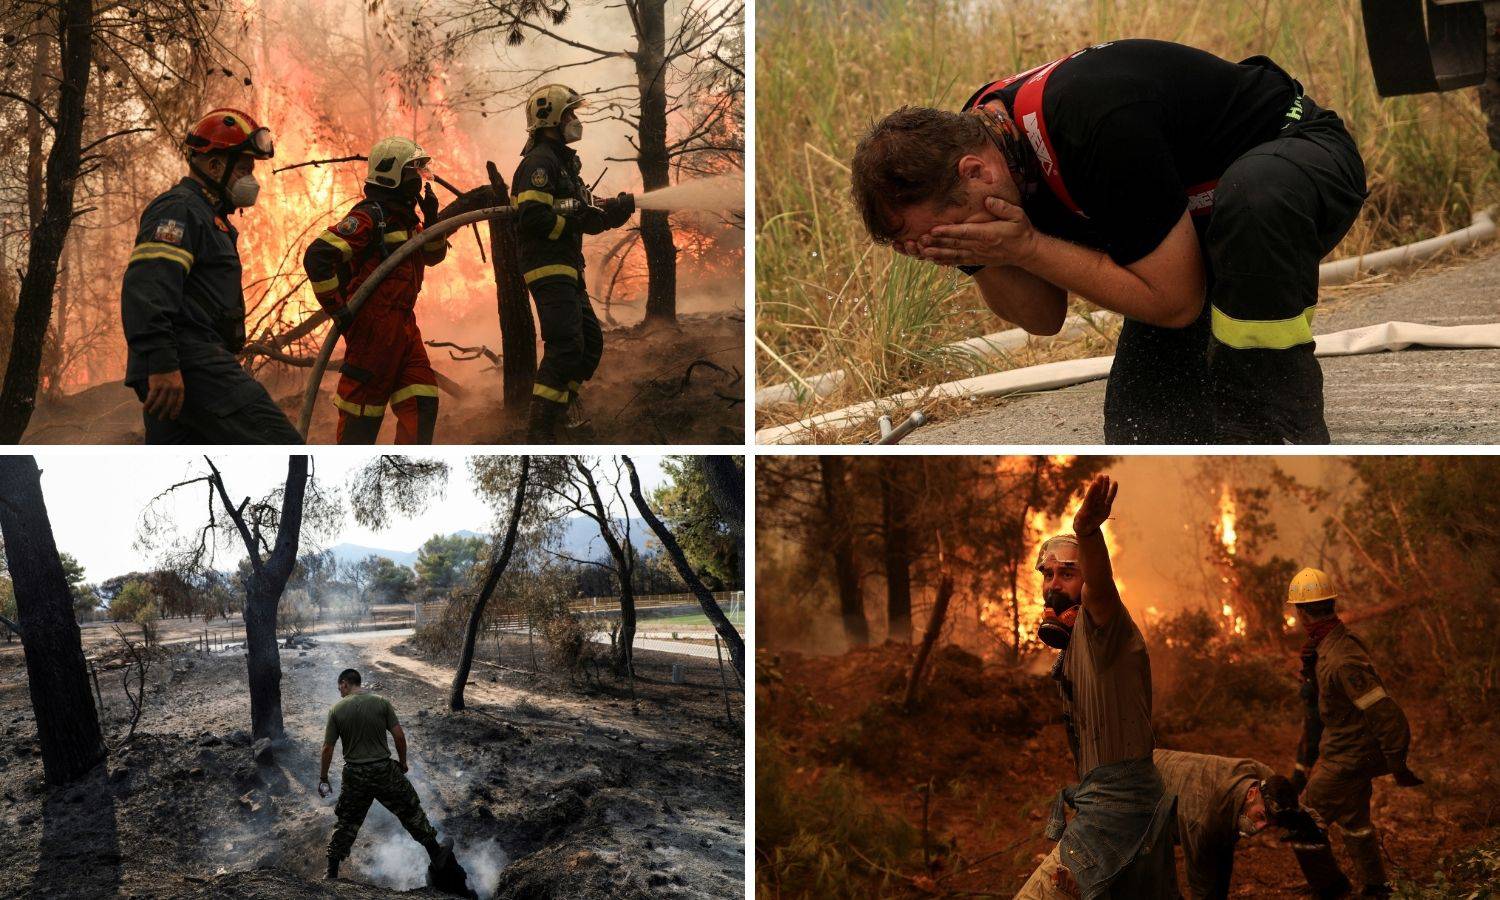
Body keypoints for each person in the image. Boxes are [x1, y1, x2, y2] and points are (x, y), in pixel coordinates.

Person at [849, 39, 1368, 444]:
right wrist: (988, 256)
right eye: (935, 246)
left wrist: (1027, 246)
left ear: (975, 173)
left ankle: (1279, 420)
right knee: (1146, 429)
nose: (951, 244)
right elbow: (1043, 317)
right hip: (1196, 227)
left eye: (949, 235)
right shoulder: (976, 153)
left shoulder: (1094, 123)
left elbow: (1175, 302)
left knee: (1255, 198)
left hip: (1297, 163)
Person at [1029, 474, 1178, 898]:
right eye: (1048, 574)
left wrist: (1088, 533)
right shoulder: (1074, 642)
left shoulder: (1103, 626)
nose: (1054, 584)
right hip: (1115, 802)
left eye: (1068, 574)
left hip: (1120, 809)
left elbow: (1100, 589)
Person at [120, 108, 303, 444]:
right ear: (215, 165)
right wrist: (161, 363)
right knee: (284, 447)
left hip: (188, 365)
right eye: (245, 168)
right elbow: (148, 287)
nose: (251, 179)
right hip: (189, 362)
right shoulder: (179, 209)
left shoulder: (208, 217)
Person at [1019, 750, 1351, 899]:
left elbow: (1298, 809)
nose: (1261, 828)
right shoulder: (1201, 817)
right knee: (1121, 870)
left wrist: (1310, 825)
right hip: (1133, 795)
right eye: (1262, 818)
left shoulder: (1259, 775)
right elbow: (1203, 879)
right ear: (1252, 794)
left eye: (1269, 822)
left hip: (1152, 769)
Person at [303, 137, 448, 443]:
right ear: (392, 176)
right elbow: (318, 256)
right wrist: (339, 311)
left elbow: (433, 256)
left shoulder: (405, 218)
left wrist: (434, 220)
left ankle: (406, 471)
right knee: (362, 421)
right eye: (413, 174)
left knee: (422, 402)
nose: (419, 181)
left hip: (405, 327)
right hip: (371, 333)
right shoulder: (370, 217)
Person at [512, 84, 635, 443]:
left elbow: (587, 216)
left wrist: (614, 212)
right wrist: (575, 221)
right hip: (547, 267)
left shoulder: (563, 165)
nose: (575, 121)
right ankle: (539, 432)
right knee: (565, 345)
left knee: (590, 343)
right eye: (569, 114)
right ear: (550, 119)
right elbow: (532, 217)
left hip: (568, 267)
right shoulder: (539, 163)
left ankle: (560, 411)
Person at [1287, 568, 1420, 899]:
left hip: (1349, 756)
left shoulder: (1340, 659)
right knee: (1354, 821)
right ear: (1331, 603)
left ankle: (1330, 888)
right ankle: (1375, 887)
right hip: (1342, 751)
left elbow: (1384, 711)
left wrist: (1397, 762)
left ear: (1302, 612)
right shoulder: (1328, 647)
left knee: (1302, 821)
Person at [318, 667, 467, 894]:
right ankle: (435, 852)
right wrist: (403, 762)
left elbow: (328, 748)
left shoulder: (336, 710)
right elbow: (398, 735)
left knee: (347, 822)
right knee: (410, 810)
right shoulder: (381, 702)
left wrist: (323, 777)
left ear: (346, 683)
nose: (339, 691)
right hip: (384, 770)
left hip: (355, 774)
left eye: (340, 687)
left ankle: (331, 872)